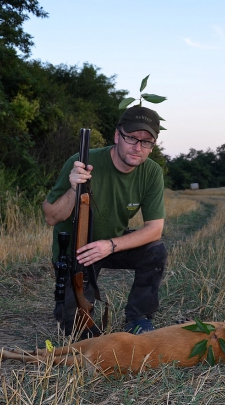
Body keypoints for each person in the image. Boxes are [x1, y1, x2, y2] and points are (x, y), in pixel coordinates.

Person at [42, 106, 167, 335]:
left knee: (155, 250)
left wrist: (109, 246)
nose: (137, 147)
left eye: (146, 142)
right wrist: (73, 189)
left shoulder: (151, 172)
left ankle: (138, 317)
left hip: (110, 244)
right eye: (131, 138)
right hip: (78, 252)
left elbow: (155, 229)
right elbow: (51, 217)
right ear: (117, 136)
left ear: (152, 146)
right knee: (79, 333)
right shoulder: (81, 161)